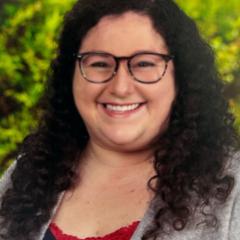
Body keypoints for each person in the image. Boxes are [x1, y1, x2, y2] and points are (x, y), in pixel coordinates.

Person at [0, 0, 239, 239]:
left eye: (144, 63)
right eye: (99, 64)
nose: (121, 88)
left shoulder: (232, 187)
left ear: (182, 78)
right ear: (70, 77)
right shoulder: (25, 177)